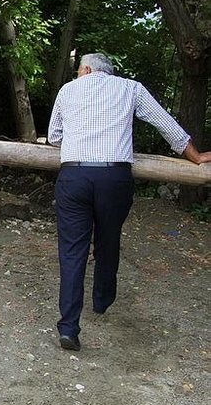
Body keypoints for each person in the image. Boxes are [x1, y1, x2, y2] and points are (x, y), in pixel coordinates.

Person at [47, 52, 211, 351]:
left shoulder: (68, 90)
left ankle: (69, 328)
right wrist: (196, 156)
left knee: (72, 252)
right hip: (114, 178)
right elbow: (166, 124)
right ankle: (102, 301)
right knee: (108, 239)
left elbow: (54, 136)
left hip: (73, 177)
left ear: (85, 69)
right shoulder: (130, 88)